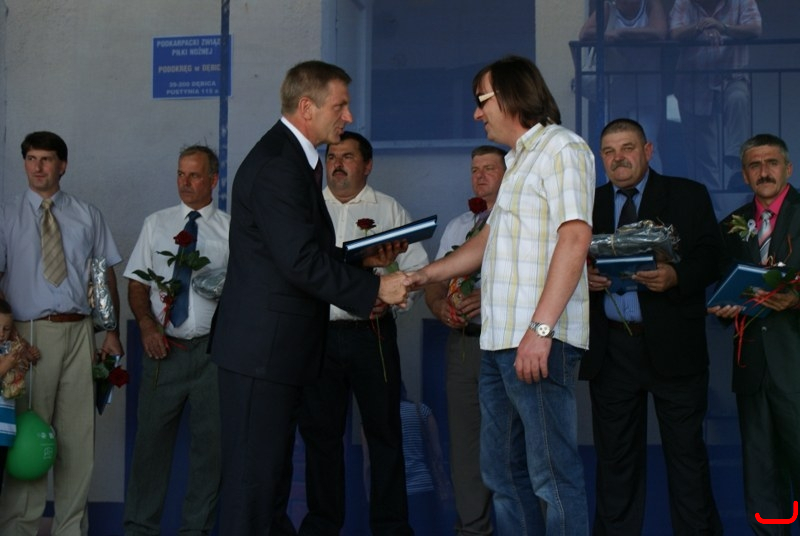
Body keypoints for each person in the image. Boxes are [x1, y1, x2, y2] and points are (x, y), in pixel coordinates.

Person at [210, 60, 409, 535]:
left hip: (274, 352)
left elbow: (301, 251)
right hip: (262, 354)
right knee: (253, 489)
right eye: (340, 106)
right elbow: (298, 261)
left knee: (269, 485)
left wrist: (359, 261)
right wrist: (375, 287)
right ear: (307, 107)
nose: (348, 116)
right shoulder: (280, 165)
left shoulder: (292, 159)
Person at [406, 55, 595, 535]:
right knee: (503, 475)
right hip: (497, 344)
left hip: (537, 342)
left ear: (511, 96)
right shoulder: (517, 161)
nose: (476, 113)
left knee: (552, 478)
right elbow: (486, 242)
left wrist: (541, 330)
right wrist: (422, 276)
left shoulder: (562, 147)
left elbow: (575, 238)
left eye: (481, 100)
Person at [581, 118, 723, 534]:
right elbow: (562, 261)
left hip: (674, 347)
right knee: (615, 463)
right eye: (609, 151)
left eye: (627, 148)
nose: (618, 158)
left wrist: (676, 276)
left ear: (648, 150)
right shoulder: (587, 203)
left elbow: (712, 257)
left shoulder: (687, 195)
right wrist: (580, 278)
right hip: (612, 351)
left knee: (687, 459)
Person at [297, 131, 427, 536]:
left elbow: (417, 268)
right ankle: (322, 526)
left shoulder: (388, 209)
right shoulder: (308, 209)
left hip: (372, 334)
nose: (337, 164)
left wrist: (392, 297)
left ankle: (391, 528)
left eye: (347, 157)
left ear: (367, 165)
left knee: (384, 434)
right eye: (332, 156)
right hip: (318, 335)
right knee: (321, 436)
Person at [0, 130, 124, 535]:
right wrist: (9, 340)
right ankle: (19, 527)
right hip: (28, 335)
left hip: (79, 332)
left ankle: (71, 528)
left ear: (63, 165)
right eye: (31, 159)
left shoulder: (87, 214)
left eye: (47, 159)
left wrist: (110, 332)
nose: (38, 167)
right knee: (30, 439)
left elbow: (103, 275)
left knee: (77, 440)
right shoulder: (7, 215)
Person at [122, 145, 229, 535]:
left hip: (212, 355)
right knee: (149, 449)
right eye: (181, 174)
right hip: (163, 350)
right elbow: (137, 284)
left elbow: (245, 291)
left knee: (210, 453)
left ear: (213, 180)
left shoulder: (231, 230)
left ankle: (195, 531)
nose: (185, 183)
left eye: (195, 175)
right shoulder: (157, 223)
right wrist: (147, 327)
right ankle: (139, 530)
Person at [708, 133, 800, 533]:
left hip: (795, 364)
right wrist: (723, 308)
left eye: (772, 163)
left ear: (788, 169)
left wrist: (794, 299)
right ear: (745, 175)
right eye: (755, 165)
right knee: (761, 477)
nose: (764, 172)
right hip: (752, 370)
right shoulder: (730, 227)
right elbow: (721, 286)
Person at [423, 145, 505, 536]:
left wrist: (489, 299)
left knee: (512, 441)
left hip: (505, 344)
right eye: (475, 169)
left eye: (490, 168)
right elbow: (436, 281)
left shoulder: (522, 223)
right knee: (465, 443)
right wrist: (439, 306)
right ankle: (472, 528)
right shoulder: (459, 226)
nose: (480, 175)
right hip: (462, 343)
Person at [670, 0, 762, 192]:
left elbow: (755, 28)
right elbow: (675, 32)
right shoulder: (685, 3)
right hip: (695, 84)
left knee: (738, 97)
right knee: (704, 153)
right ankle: (710, 202)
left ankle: (737, 165)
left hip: (731, 76)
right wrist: (700, 27)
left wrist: (723, 28)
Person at [578, 0, 668, 171]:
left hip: (646, 88)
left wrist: (622, 35)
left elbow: (659, 32)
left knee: (647, 143)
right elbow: (585, 34)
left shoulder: (650, 4)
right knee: (616, 144)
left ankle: (652, 187)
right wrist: (608, 36)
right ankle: (619, 185)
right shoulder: (609, 7)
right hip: (616, 88)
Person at [363, 382, 452, 534]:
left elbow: (368, 465)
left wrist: (369, 496)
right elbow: (437, 454)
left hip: (389, 493)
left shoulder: (372, 418)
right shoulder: (421, 411)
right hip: (423, 488)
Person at [0, 298, 40, 495]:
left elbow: (17, 376)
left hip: (4, 431)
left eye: (6, 329)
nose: (1, 334)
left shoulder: (8, 349)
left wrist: (28, 357)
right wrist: (6, 365)